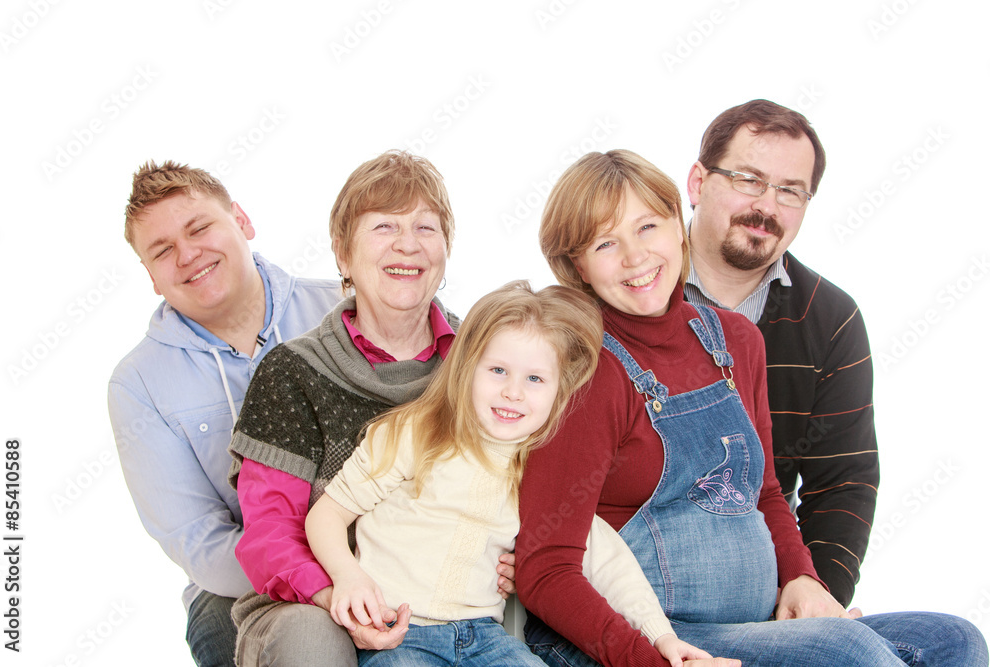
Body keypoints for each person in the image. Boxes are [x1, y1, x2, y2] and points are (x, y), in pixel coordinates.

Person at [515, 149, 988, 667]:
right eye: (605, 243)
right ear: (577, 267)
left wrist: (801, 576)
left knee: (954, 640)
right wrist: (652, 658)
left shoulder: (734, 341)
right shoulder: (583, 368)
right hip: (649, 633)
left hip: (749, 625)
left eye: (647, 226)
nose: (635, 256)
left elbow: (762, 492)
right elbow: (545, 569)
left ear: (678, 226)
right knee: (849, 654)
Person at [307, 280, 717, 667]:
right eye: (498, 371)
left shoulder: (544, 468)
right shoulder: (414, 432)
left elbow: (607, 560)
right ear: (467, 366)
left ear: (560, 390)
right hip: (399, 630)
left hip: (484, 637)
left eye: (535, 378)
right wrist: (347, 577)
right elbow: (328, 514)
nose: (513, 392)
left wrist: (660, 635)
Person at [226, 151, 510, 666]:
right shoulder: (293, 373)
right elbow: (271, 532)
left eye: (425, 227)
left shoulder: (489, 365)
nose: (408, 244)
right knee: (313, 641)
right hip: (314, 600)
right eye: (384, 227)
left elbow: (528, 484)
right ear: (343, 254)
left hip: (452, 608)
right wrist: (340, 596)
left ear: (445, 249)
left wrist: (520, 556)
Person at [107, 160, 342, 665]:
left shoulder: (344, 308)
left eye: (199, 229)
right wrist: (321, 578)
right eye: (162, 251)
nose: (187, 255)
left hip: (379, 548)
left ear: (241, 220)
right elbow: (196, 538)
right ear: (150, 276)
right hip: (236, 584)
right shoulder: (138, 383)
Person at [683, 99, 875, 606]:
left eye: (790, 191)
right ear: (698, 183)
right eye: (749, 179)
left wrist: (814, 594)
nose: (767, 206)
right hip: (633, 586)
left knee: (951, 639)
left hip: (763, 585)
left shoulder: (831, 319)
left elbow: (843, 483)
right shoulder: (624, 290)